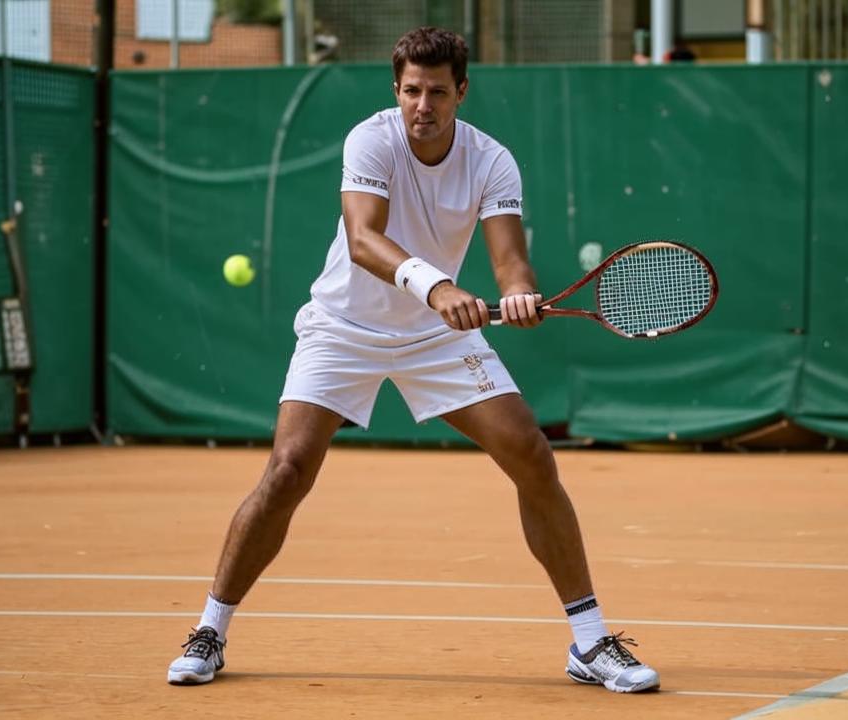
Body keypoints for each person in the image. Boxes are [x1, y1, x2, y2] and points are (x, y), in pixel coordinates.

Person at [166, 26, 661, 694]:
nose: (421, 105)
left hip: (437, 336)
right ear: (395, 90)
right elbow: (365, 239)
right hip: (343, 326)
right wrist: (437, 286)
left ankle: (590, 642)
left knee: (531, 454)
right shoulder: (371, 139)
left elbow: (510, 261)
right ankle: (210, 630)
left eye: (435, 91)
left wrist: (516, 294)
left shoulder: (492, 161)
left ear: (462, 91)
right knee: (286, 471)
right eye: (409, 91)